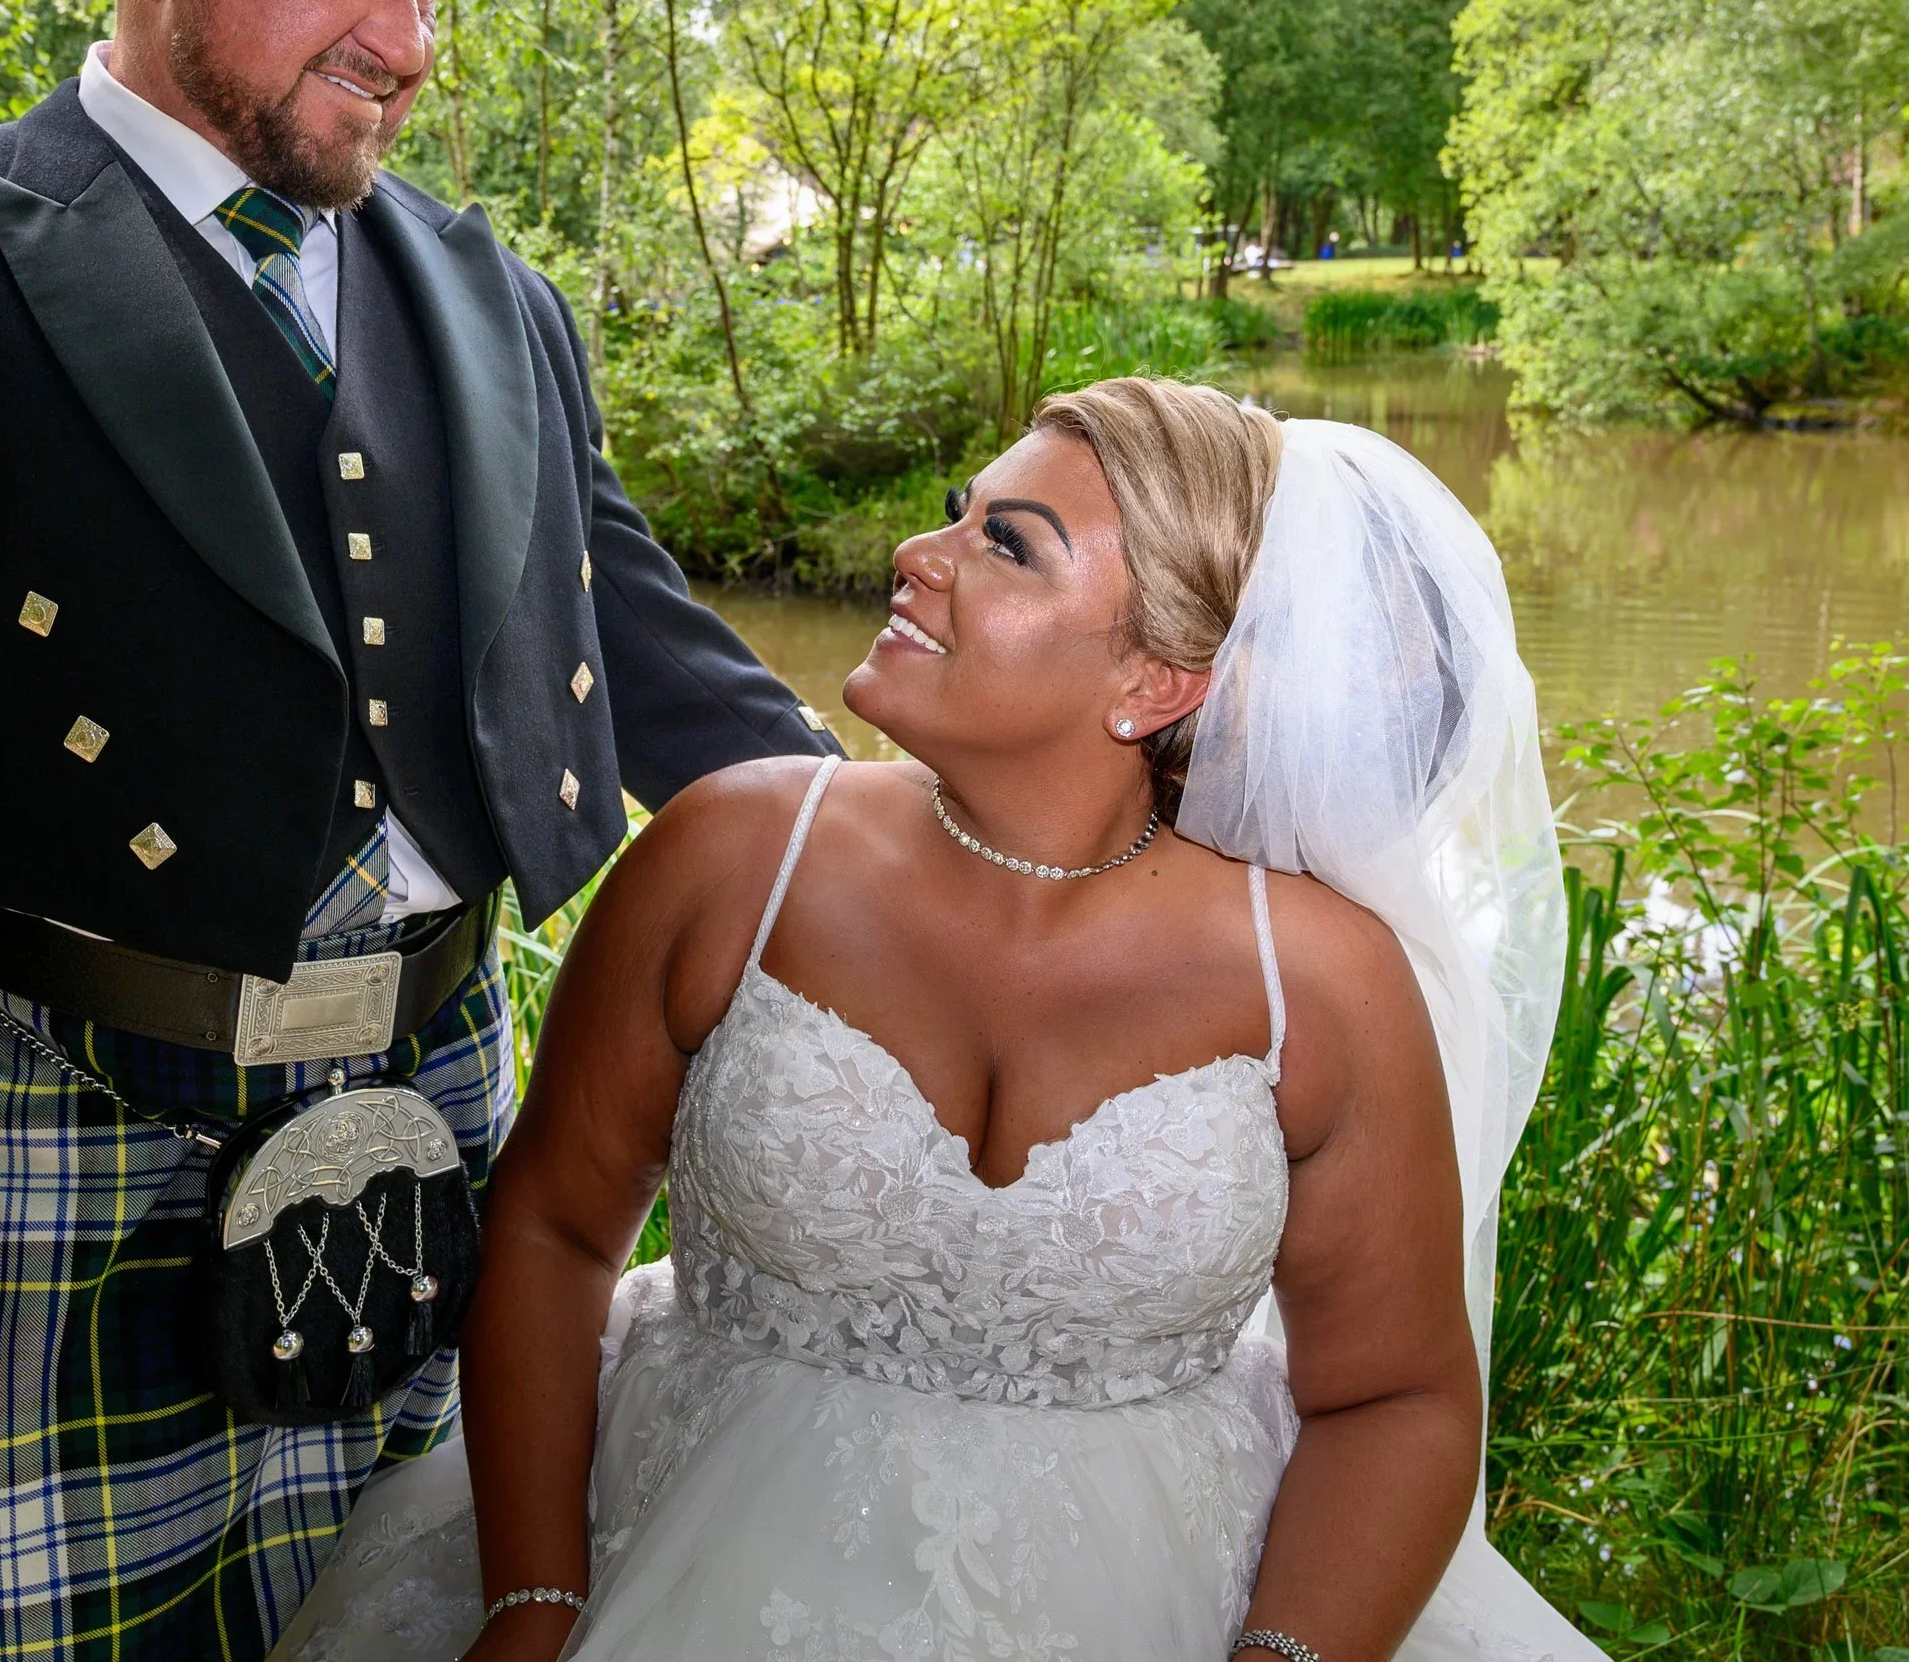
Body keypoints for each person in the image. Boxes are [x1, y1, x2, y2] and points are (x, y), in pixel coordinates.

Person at [0, 0, 838, 1662]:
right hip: (57, 1130)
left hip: (447, 1114)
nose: (405, 35)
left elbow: (652, 659)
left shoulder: (494, 296)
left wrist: (981, 860)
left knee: (402, 1618)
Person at [275, 377, 1604, 1662]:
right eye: (959, 510)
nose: (919, 554)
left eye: (1006, 546)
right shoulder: (733, 855)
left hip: (1150, 1597)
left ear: (1154, 681)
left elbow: (1398, 1396)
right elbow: (556, 1228)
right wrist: (537, 1591)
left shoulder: (1316, 981)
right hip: (683, 1554)